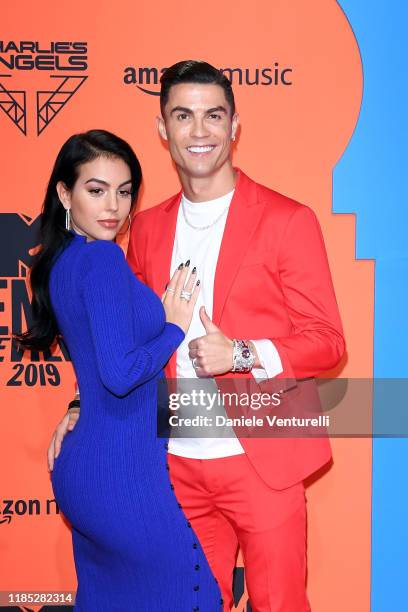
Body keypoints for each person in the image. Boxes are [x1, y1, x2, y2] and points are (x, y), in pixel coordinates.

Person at [50, 62, 345, 611]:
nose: (200, 130)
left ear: (235, 126)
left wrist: (241, 352)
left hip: (264, 458)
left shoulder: (288, 219)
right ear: (162, 128)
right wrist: (77, 402)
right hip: (170, 464)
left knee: (279, 603)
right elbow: (120, 337)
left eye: (214, 115)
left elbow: (327, 341)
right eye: (183, 116)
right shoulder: (144, 228)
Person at [18, 129, 222, 611]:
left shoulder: (62, 261)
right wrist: (173, 327)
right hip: (121, 475)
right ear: (65, 193)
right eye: (96, 189)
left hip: (84, 472)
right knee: (193, 596)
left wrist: (75, 403)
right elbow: (119, 373)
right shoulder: (104, 260)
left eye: (124, 190)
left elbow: (96, 363)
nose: (113, 205)